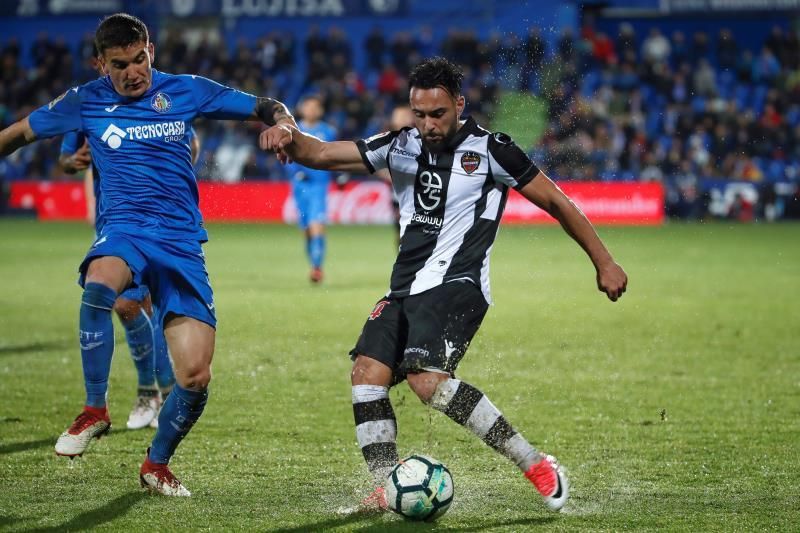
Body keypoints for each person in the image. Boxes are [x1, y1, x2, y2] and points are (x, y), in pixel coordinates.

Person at [260, 57, 627, 512]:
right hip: (405, 288)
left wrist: (603, 261)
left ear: (459, 104)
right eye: (420, 114)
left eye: (438, 114)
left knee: (426, 381)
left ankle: (535, 463)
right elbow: (317, 154)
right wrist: (287, 135)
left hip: (459, 282)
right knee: (367, 376)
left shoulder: (492, 151)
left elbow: (556, 200)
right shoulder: (399, 145)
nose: (429, 125)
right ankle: (383, 486)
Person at [0, 13, 295, 496]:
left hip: (181, 243)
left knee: (196, 376)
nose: (134, 71)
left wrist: (284, 124)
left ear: (150, 50)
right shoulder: (84, 101)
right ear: (101, 64)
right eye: (121, 64)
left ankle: (156, 464)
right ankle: (96, 409)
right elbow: (17, 134)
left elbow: (266, 105)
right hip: (125, 229)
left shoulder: (186, 90)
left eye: (141, 59)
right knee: (101, 287)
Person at [60, 124, 200, 430]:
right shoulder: (87, 105)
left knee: (134, 306)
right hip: (115, 221)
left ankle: (154, 391)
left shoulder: (158, 103)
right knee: (129, 306)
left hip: (158, 221)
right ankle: (154, 391)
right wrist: (75, 163)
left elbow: (192, 143)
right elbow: (67, 160)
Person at [285, 95, 336, 283]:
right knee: (307, 229)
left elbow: (334, 155)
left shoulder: (328, 131)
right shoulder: (293, 130)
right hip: (300, 186)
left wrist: (339, 174)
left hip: (319, 186)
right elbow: (285, 155)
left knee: (317, 226)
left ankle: (317, 268)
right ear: (302, 108)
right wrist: (294, 172)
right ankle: (314, 264)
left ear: (320, 110)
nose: (312, 110)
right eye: (309, 107)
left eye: (315, 107)